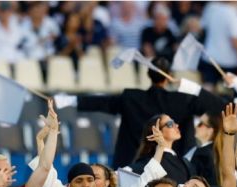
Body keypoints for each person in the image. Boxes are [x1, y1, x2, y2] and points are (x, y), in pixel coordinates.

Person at [75, 57, 224, 169]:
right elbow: (217, 106)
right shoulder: (183, 100)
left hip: (133, 166)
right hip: (174, 167)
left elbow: (102, 102)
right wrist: (190, 87)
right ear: (169, 75)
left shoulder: (131, 98)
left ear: (148, 74)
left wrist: (70, 100)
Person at [131, 114, 194, 184]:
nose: (176, 125)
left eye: (174, 122)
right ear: (157, 131)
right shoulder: (150, 161)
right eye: (170, 124)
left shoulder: (181, 161)